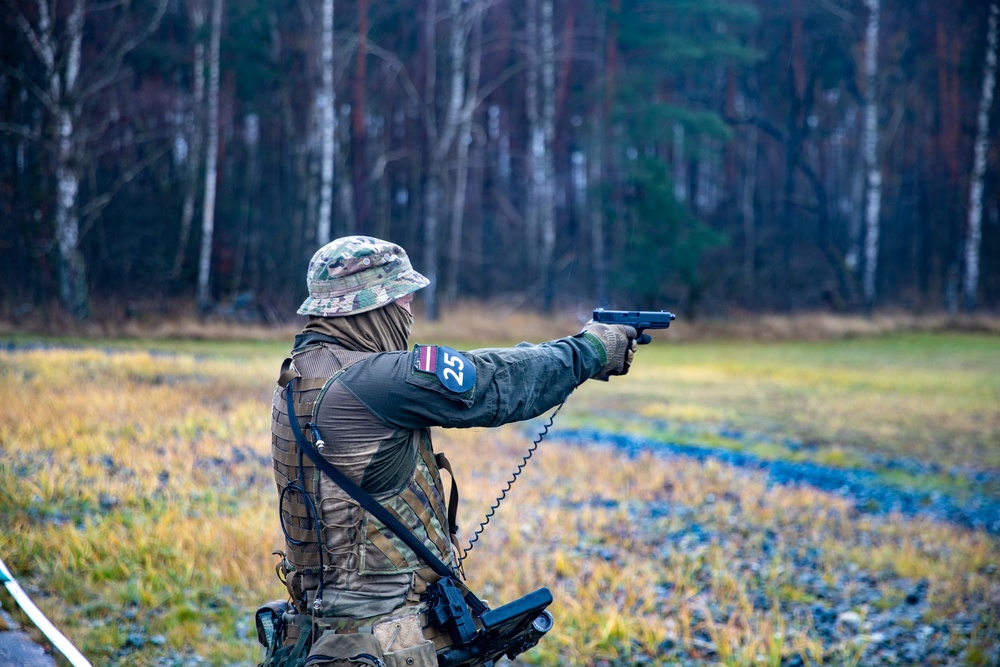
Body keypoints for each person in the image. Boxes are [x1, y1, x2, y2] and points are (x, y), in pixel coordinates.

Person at [266, 236, 639, 667]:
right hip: (384, 639)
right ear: (375, 307)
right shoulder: (373, 381)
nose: (409, 314)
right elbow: (497, 381)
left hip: (317, 637)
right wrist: (590, 349)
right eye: (404, 301)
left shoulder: (297, 375)